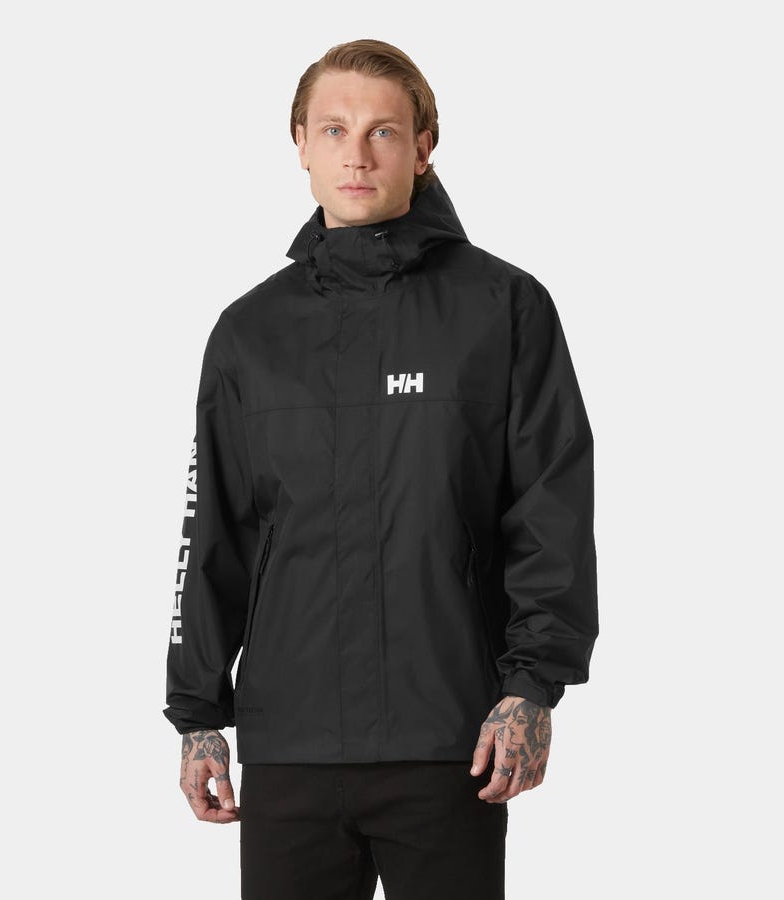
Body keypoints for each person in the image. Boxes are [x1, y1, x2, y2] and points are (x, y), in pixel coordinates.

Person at [163, 38, 598, 899]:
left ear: (424, 146)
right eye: (334, 129)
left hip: (450, 736)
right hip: (290, 745)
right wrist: (198, 713)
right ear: (300, 144)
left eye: (383, 132)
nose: (356, 155)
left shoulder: (502, 308)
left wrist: (533, 686)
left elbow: (552, 507)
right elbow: (213, 529)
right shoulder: (249, 332)